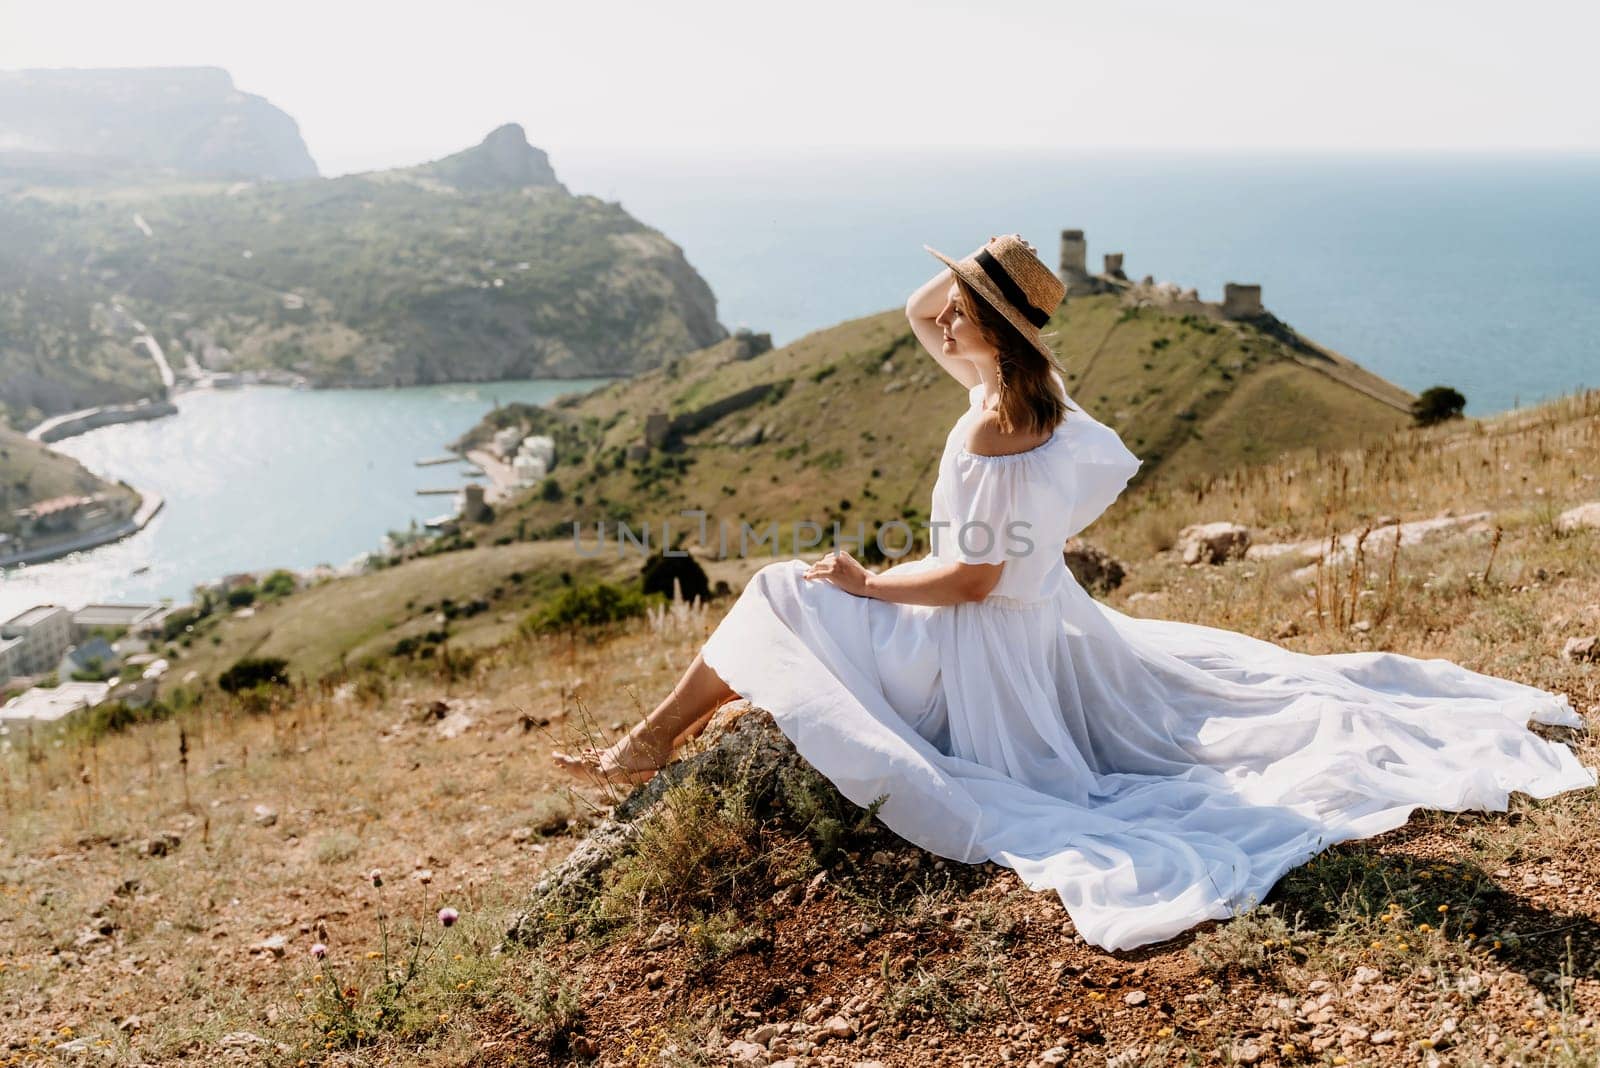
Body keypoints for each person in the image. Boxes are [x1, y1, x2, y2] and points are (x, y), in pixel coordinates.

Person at [554, 234, 1596, 952]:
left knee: (785, 587)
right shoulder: (1023, 393)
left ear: (990, 327)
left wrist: (868, 580)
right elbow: (920, 314)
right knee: (793, 593)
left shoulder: (988, 424)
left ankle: (647, 741)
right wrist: (976, 274)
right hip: (1036, 623)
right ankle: (656, 735)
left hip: (979, 646)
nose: (941, 319)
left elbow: (967, 578)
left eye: (962, 308)